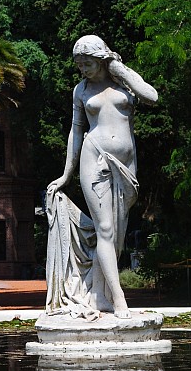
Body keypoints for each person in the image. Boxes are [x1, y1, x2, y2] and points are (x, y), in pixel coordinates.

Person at [46, 35, 157, 320]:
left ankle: (98, 295)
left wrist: (120, 70)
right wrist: (66, 174)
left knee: (116, 237)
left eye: (88, 63)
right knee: (106, 229)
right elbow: (76, 132)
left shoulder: (122, 83)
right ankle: (118, 298)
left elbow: (151, 96)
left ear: (102, 59)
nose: (83, 69)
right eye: (79, 64)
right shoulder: (80, 91)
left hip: (126, 166)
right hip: (93, 159)